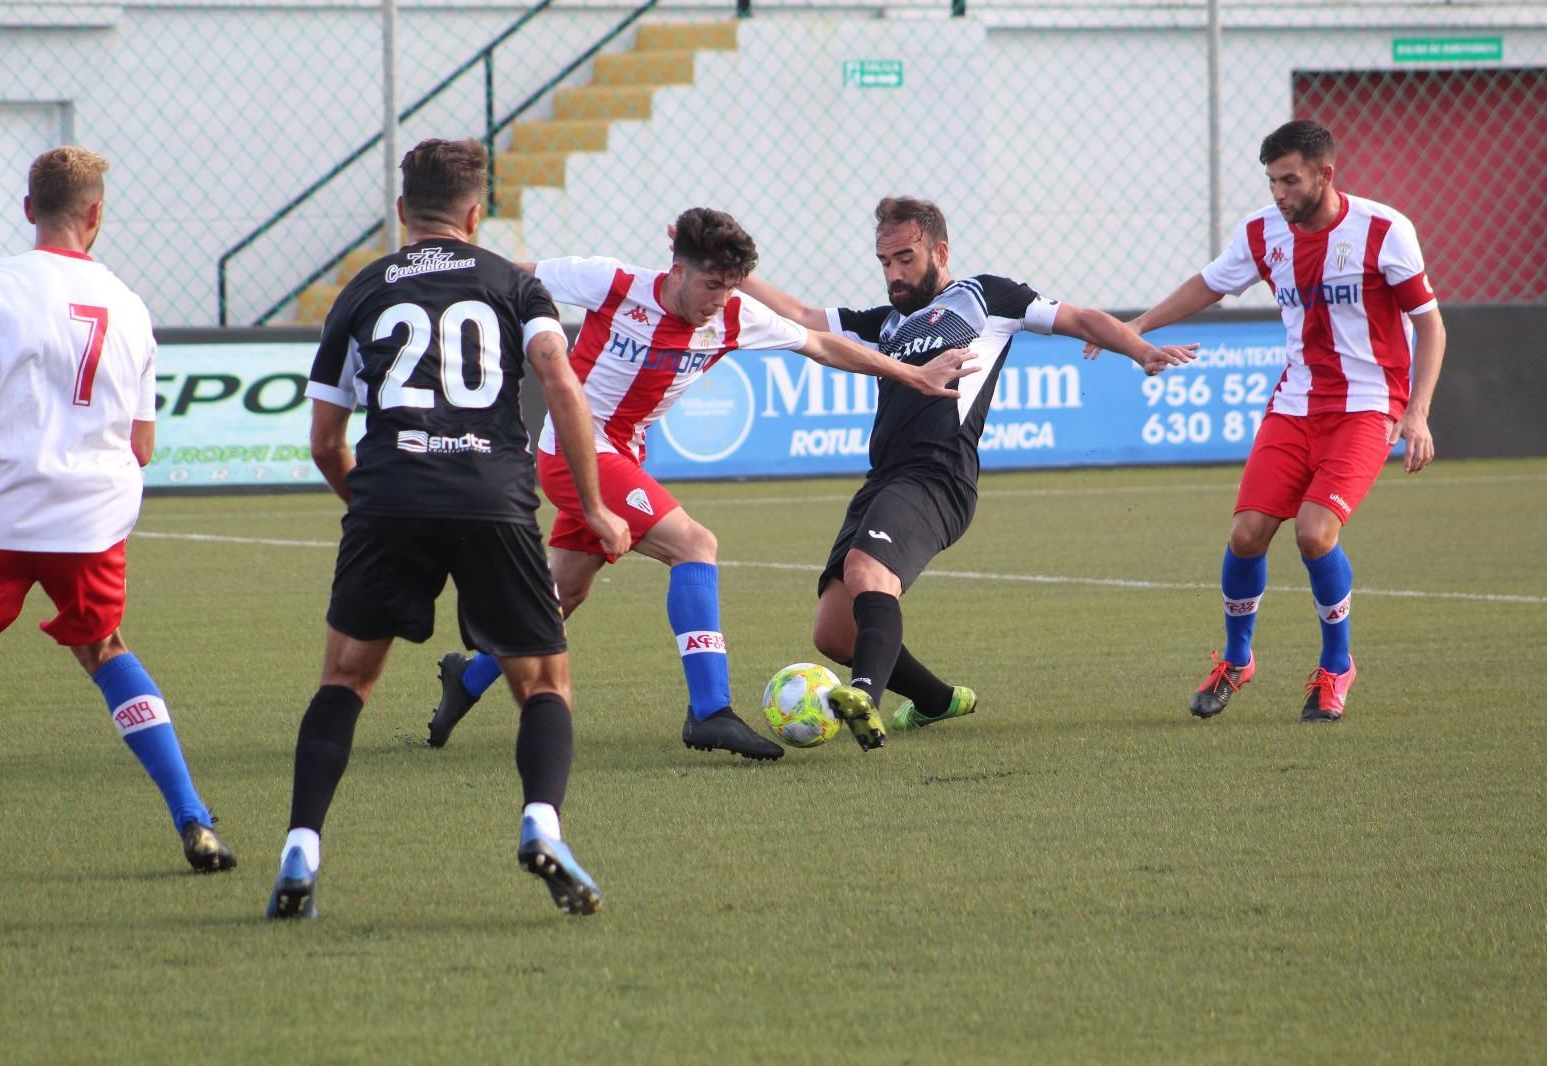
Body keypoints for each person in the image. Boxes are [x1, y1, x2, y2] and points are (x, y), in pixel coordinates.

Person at [426, 207, 976, 761]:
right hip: (574, 451)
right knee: (695, 544)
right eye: (712, 285)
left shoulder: (733, 315)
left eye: (730, 287)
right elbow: (507, 273)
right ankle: (709, 711)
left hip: (625, 456)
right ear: (678, 270)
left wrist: (912, 374)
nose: (720, 300)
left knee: (563, 592)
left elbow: (823, 346)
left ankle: (468, 678)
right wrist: (426, 271)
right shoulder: (610, 282)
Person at [266, 138, 631, 920]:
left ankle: (301, 846)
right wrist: (594, 506)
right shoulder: (513, 285)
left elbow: (325, 442)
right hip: (493, 499)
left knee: (344, 681)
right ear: (476, 212)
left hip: (389, 496)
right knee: (543, 685)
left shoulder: (361, 290)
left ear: (403, 212)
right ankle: (542, 825)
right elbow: (561, 384)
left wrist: (364, 502)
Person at [742, 196, 1197, 750]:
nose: (894, 273)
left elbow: (1080, 318)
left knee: (867, 571)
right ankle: (936, 700)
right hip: (883, 479)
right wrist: (733, 274)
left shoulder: (986, 297)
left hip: (939, 474)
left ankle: (863, 694)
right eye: (885, 262)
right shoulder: (886, 323)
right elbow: (807, 318)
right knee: (834, 633)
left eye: (905, 258)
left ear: (940, 250)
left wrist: (1139, 350)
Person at [1084, 119, 1445, 723]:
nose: (1278, 193)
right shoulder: (1262, 231)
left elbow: (1430, 323)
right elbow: (1209, 284)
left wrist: (1418, 412)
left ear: (1325, 174)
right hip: (1294, 404)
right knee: (1248, 533)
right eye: (1272, 180)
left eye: (1289, 180)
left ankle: (1336, 667)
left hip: (1365, 406)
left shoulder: (1384, 230)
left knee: (1313, 533)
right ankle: (1237, 659)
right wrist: (1138, 328)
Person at [0, 147, 235, 873]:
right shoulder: (132, 309)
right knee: (105, 649)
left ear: (27, 210)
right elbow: (141, 445)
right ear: (96, 215)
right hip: (92, 521)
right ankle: (193, 817)